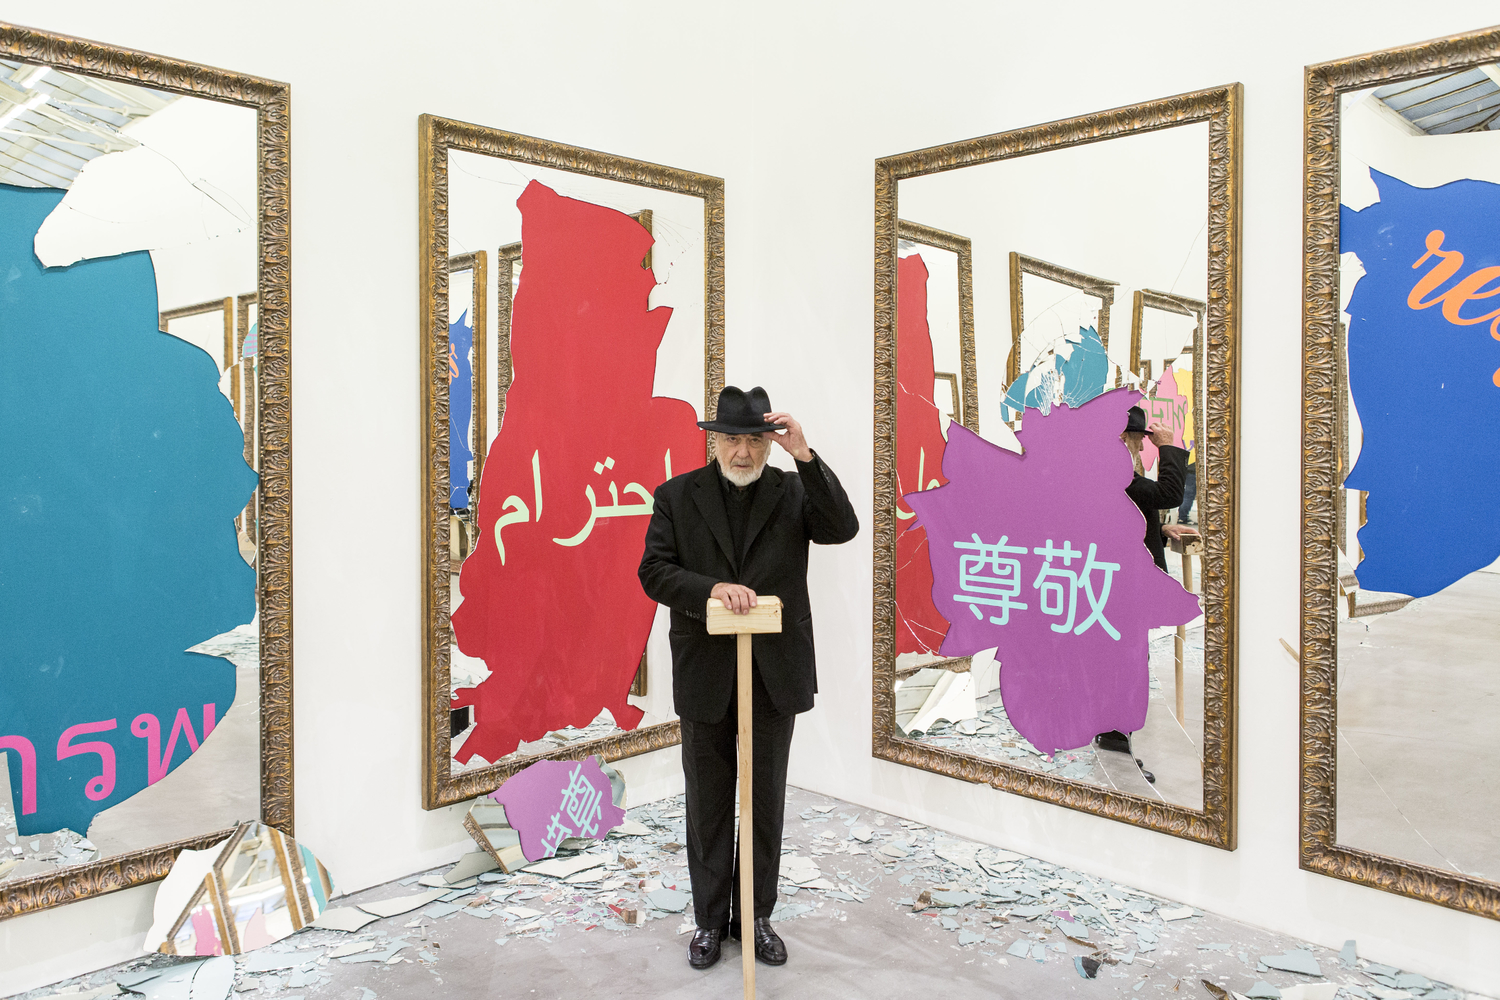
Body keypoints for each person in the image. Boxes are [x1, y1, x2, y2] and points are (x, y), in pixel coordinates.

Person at [637, 385, 859, 970]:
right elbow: (654, 571)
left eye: (755, 441)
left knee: (763, 802)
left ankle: (756, 916)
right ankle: (710, 922)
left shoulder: (793, 490)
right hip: (706, 672)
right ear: (715, 442)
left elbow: (842, 527)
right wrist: (710, 589)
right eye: (732, 440)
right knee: (709, 803)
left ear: (769, 443)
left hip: (774, 672)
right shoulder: (676, 496)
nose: (743, 453)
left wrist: (804, 454)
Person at [1095, 405, 1188, 770]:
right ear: (1125, 439)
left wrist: (1158, 529)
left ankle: (1113, 731)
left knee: (1121, 657)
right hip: (1123, 582)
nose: (1140, 447)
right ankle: (1115, 736)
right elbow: (1169, 493)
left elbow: (1130, 512)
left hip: (1111, 578)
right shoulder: (1116, 472)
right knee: (1128, 660)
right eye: (1138, 440)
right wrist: (1168, 447)